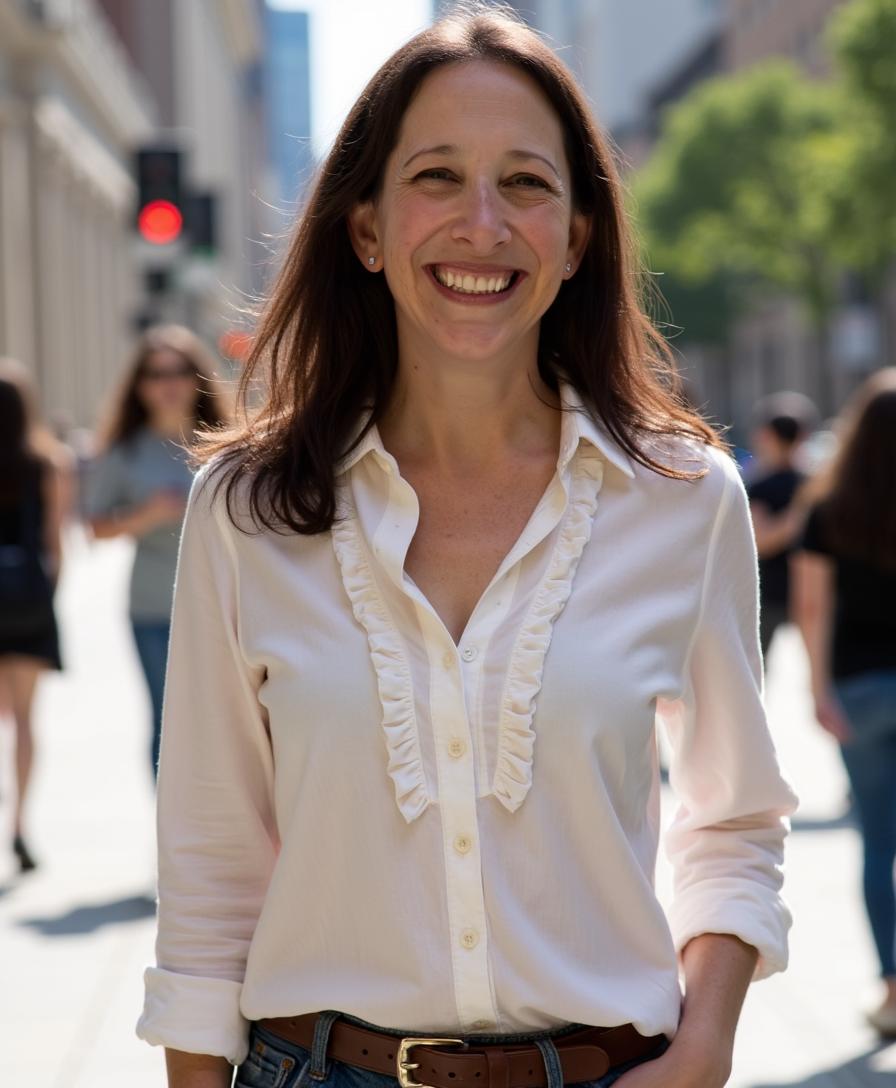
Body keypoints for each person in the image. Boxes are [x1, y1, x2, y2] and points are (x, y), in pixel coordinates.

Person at [136, 11, 797, 1088]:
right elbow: (207, 867)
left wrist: (703, 1046)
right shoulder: (245, 509)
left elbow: (732, 819)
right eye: (436, 176)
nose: (481, 222)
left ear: (577, 235)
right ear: (365, 228)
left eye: (526, 184)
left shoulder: (683, 500)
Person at [793, 368, 896, 1037]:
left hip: (858, 691)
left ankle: (892, 990)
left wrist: (817, 691)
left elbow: (811, 606)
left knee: (877, 841)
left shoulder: (829, 510)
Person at [86, 325, 230, 781]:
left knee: (227, 722)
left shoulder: (227, 441)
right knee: (167, 720)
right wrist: (145, 515)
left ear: (197, 378)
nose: (168, 384)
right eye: (155, 373)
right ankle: (173, 835)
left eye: (179, 372)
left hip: (224, 606)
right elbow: (96, 527)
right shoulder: (125, 451)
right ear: (140, 385)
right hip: (153, 607)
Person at [0, 359, 71, 872]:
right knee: (25, 720)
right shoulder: (46, 464)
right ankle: (20, 824)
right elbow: (56, 545)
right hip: (27, 602)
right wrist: (47, 597)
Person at [746, 392, 817, 660]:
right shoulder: (812, 485)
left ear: (768, 436)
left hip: (776, 592)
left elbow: (760, 542)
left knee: (756, 670)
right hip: (797, 589)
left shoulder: (764, 485)